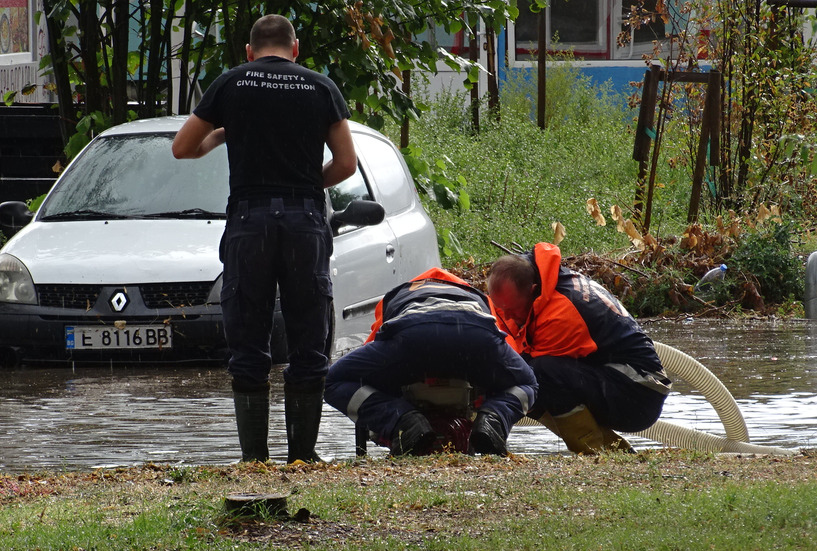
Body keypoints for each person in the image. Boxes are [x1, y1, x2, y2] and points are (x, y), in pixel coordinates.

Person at [171, 14, 357, 464]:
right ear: (295, 50)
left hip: (249, 222)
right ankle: (304, 455)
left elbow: (182, 148)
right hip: (303, 221)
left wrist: (220, 134)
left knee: (249, 339)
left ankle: (254, 459)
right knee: (308, 338)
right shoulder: (320, 87)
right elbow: (347, 164)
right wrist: (307, 183)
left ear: (250, 52)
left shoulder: (231, 83)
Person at [324, 267, 538, 456]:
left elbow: (373, 345)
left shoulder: (395, 298)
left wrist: (387, 410)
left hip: (413, 333)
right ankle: (493, 421)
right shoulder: (478, 298)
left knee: (334, 380)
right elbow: (503, 347)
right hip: (474, 333)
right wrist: (493, 404)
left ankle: (404, 422)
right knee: (528, 383)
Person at [487, 243, 671, 455]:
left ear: (532, 291)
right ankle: (615, 452)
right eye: (500, 309)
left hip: (639, 395)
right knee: (531, 379)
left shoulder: (562, 312)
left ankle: (598, 453)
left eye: (511, 310)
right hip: (618, 376)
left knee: (537, 375)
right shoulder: (534, 281)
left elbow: (521, 373)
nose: (507, 317)